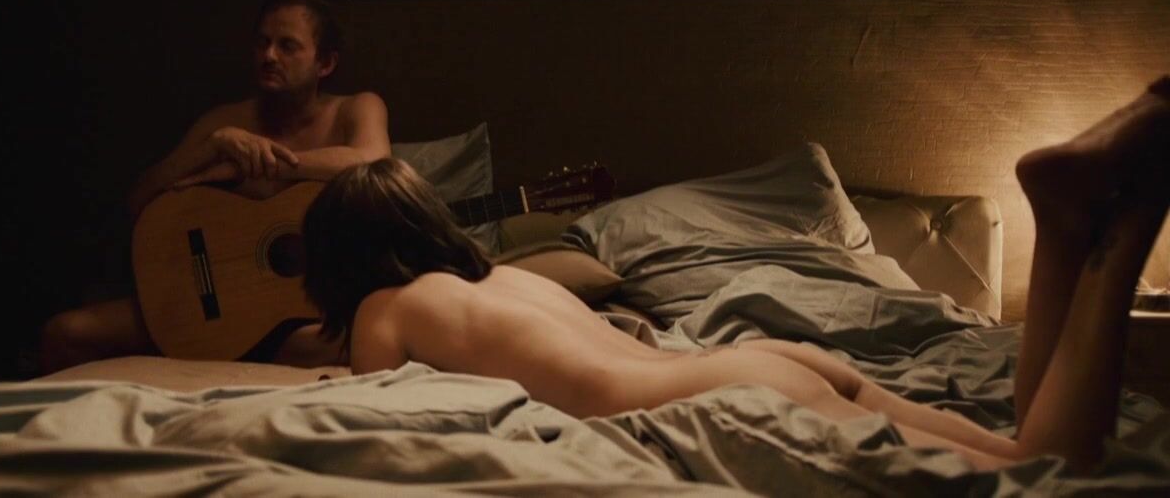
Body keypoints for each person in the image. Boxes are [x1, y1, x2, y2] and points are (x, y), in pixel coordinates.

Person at [301, 77, 1170, 473]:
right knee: (1028, 453)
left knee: (1045, 469)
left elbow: (378, 407)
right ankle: (1073, 233)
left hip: (722, 400)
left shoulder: (384, 309)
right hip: (756, 364)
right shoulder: (508, 278)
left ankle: (1109, 233)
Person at [38, 0, 390, 374]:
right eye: (262, 42)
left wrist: (265, 166)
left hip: (304, 313)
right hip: (200, 303)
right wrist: (212, 147)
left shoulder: (356, 108)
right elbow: (138, 202)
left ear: (325, 63)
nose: (269, 56)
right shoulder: (227, 123)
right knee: (64, 333)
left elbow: (374, 164)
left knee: (368, 335)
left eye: (287, 46)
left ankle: (245, 352)